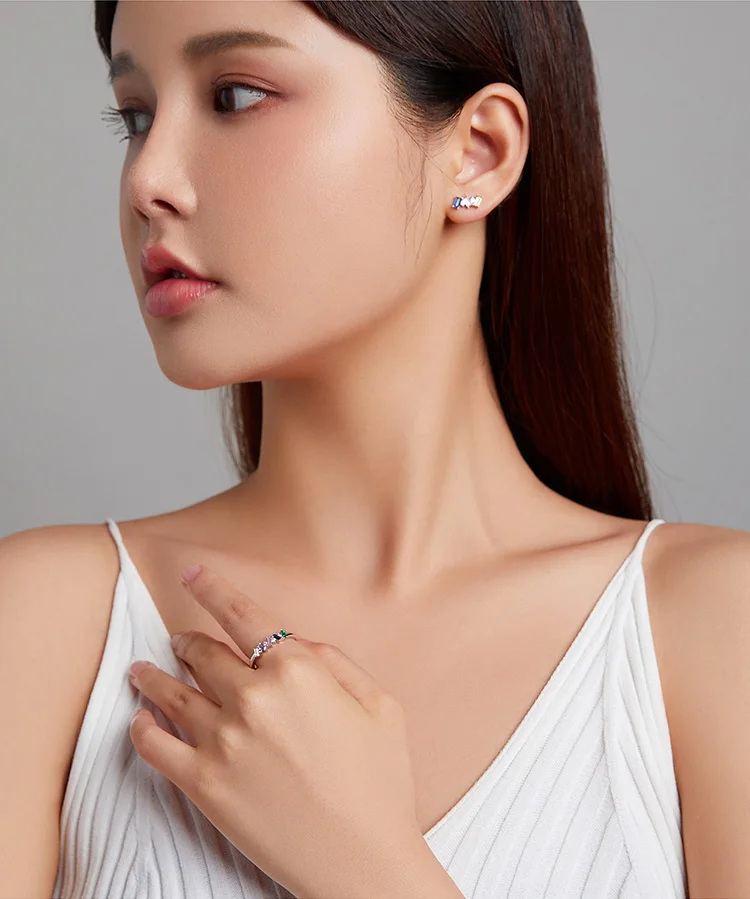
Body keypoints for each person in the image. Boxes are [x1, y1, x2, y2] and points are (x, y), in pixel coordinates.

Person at [1, 1, 749, 896]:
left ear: (478, 152)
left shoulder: (715, 630)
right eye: (135, 116)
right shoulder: (43, 625)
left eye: (235, 95)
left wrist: (361, 859)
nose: (148, 179)